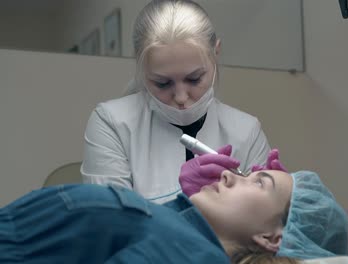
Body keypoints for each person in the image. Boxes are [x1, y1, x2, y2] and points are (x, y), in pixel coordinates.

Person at [81, 0, 286, 203]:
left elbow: (264, 230)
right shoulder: (112, 123)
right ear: (141, 67)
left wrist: (282, 204)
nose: (180, 98)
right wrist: (182, 206)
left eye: (194, 79)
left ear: (216, 52)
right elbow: (109, 224)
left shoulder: (246, 131)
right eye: (162, 83)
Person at [0, 167, 348, 263]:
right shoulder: (181, 233)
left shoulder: (193, 256)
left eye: (259, 183)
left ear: (273, 238)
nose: (228, 174)